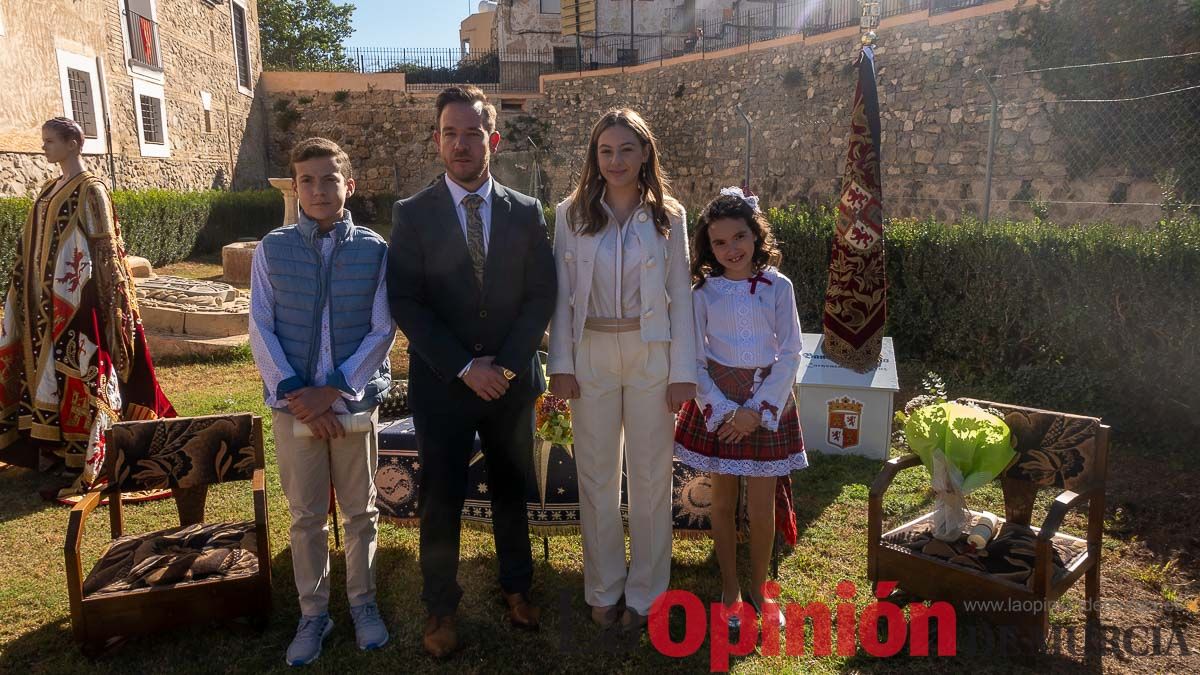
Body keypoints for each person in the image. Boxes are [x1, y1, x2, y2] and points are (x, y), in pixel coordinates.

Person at [388, 86, 556, 658]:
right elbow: (407, 301)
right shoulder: (411, 216)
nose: (461, 144)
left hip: (509, 387)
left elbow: (541, 296)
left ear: (494, 139)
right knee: (441, 497)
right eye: (450, 133)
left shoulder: (527, 212)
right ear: (437, 139)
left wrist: (503, 367)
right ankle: (440, 606)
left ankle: (517, 587)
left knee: (513, 488)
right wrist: (464, 366)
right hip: (443, 386)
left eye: (472, 133)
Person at [547, 108, 697, 630]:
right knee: (596, 475)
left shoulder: (669, 215)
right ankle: (604, 586)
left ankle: (648, 594)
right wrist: (560, 364)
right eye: (606, 150)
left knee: (653, 475)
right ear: (595, 156)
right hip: (591, 354)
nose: (616, 160)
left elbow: (682, 292)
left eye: (627, 150)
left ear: (645, 154)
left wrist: (684, 370)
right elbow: (562, 296)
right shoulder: (571, 213)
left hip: (651, 353)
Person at [248, 137, 395, 666]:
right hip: (294, 408)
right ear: (295, 187)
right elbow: (260, 324)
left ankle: (363, 604)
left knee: (360, 512)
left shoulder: (375, 249)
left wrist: (334, 389)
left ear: (348, 185)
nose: (318, 189)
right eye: (306, 180)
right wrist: (293, 391)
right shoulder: (272, 247)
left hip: (352, 404)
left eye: (329, 179)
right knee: (306, 515)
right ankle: (314, 612)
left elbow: (382, 329)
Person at [0, 117, 175, 499]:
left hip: (80, 306)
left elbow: (107, 253)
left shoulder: (91, 189)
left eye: (50, 141)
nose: (44, 147)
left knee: (76, 374)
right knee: (44, 372)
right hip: (39, 307)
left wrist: (112, 309)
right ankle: (55, 446)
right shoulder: (48, 189)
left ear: (73, 143)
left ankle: (87, 452)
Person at [673, 188, 808, 631]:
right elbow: (694, 358)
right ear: (707, 248)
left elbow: (790, 352)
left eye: (739, 237)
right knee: (724, 502)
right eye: (719, 242)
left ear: (756, 235)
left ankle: (760, 590)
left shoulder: (778, 287)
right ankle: (730, 590)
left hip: (767, 402)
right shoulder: (702, 293)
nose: (731, 249)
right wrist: (723, 409)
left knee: (763, 506)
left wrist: (757, 409)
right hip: (720, 402)